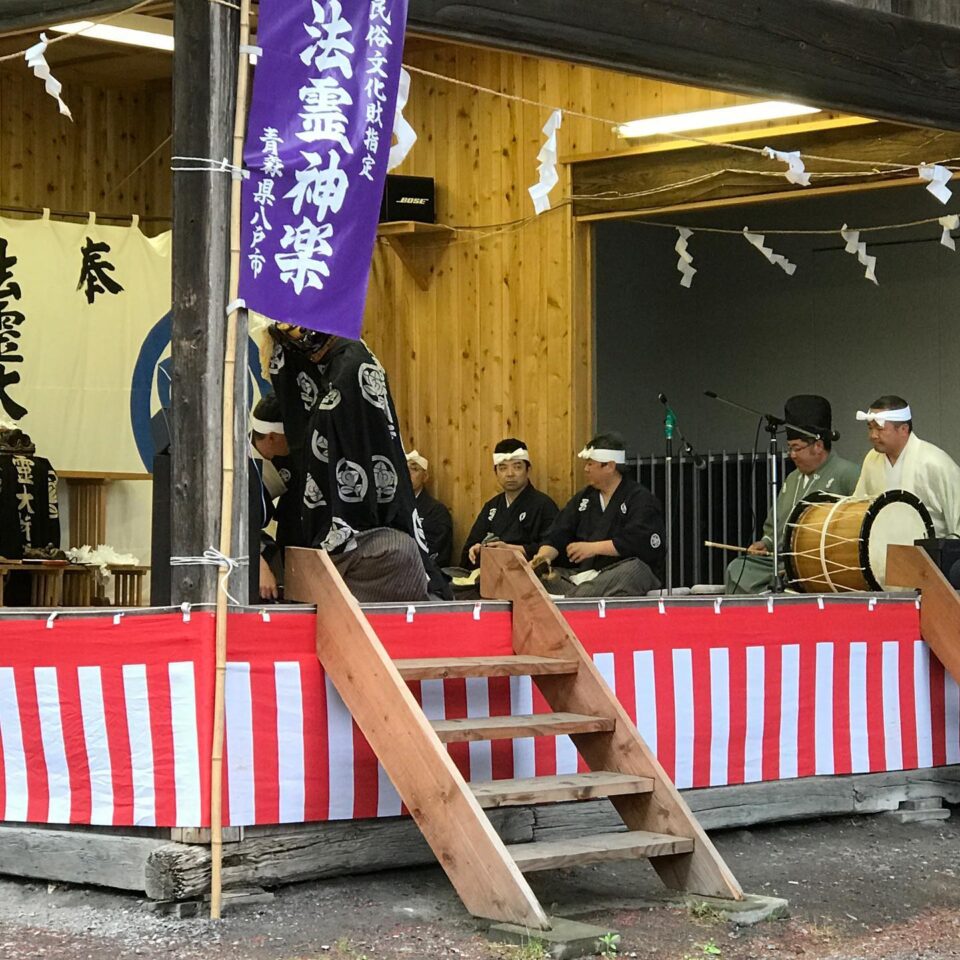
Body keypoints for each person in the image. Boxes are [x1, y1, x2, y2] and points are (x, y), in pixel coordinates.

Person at [268, 324, 449, 602]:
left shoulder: (352, 363)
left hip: (362, 521)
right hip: (337, 525)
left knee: (396, 549)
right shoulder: (329, 364)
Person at [725, 395, 860, 594]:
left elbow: (859, 527)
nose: (792, 455)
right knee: (739, 569)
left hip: (820, 564)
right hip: (783, 561)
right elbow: (776, 523)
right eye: (790, 448)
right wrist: (766, 543)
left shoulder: (847, 473)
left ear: (818, 445)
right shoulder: (793, 478)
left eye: (797, 448)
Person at [529, 432, 664, 597]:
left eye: (590, 464)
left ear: (609, 466)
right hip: (584, 577)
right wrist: (543, 558)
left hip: (621, 574)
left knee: (634, 570)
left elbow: (639, 541)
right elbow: (558, 533)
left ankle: (570, 599)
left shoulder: (639, 498)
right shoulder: (584, 498)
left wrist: (593, 548)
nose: (586, 469)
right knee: (536, 577)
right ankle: (578, 596)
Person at [853, 395, 960, 537]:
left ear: (903, 429)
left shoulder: (935, 462)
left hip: (931, 549)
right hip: (882, 548)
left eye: (879, 428)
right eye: (870, 428)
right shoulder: (872, 459)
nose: (873, 435)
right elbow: (858, 507)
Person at [460, 438, 559, 567]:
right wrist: (477, 550)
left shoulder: (544, 505)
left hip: (528, 571)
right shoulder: (492, 507)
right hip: (491, 571)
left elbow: (552, 546)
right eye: (503, 468)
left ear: (528, 470)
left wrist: (510, 549)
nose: (510, 474)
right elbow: (469, 548)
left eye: (517, 467)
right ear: (496, 473)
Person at [250, 392, 302, 601]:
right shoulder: (239, 463)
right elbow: (233, 524)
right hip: (244, 544)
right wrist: (259, 565)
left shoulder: (287, 456)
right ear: (271, 437)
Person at [406, 449, 453, 568]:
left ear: (425, 477)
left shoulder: (437, 511)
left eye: (414, 469)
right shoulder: (392, 507)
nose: (408, 473)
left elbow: (438, 554)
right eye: (404, 469)